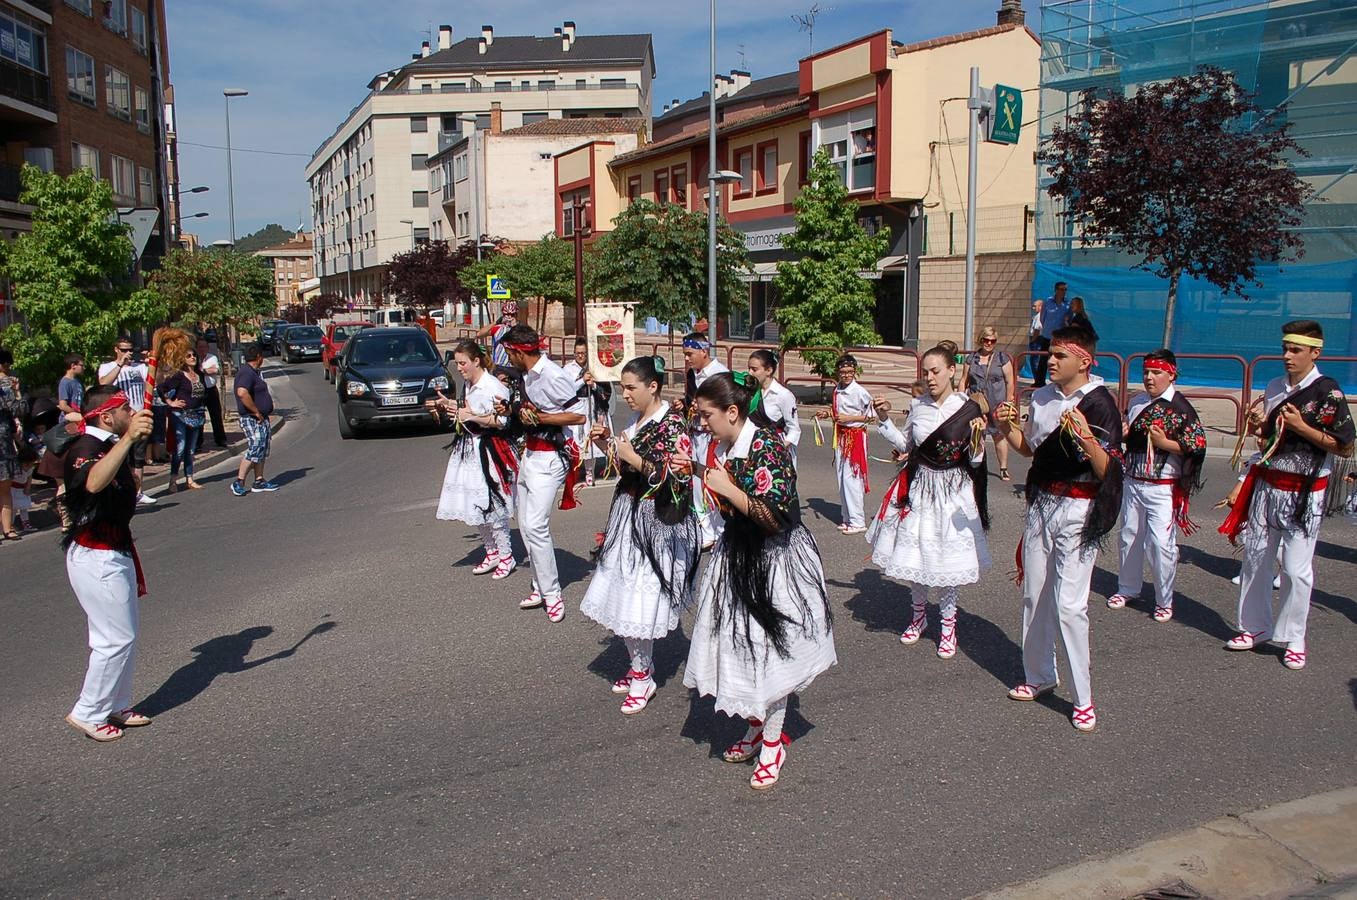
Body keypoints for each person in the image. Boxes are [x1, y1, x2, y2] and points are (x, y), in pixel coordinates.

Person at [683, 372, 836, 790]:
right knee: (739, 647)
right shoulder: (726, 442)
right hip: (737, 554)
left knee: (769, 653)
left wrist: (726, 489)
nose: (702, 424)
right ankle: (756, 726)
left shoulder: (768, 445)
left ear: (733, 412)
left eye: (707, 415)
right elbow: (728, 487)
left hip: (773, 559)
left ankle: (773, 743)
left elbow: (776, 518)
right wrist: (696, 468)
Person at [996, 326, 1123, 733]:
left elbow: (1108, 470)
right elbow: (1031, 449)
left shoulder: (1101, 404)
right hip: (1041, 505)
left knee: (1070, 605)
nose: (1050, 361)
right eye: (1049, 354)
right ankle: (1040, 676)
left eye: (1059, 356)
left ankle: (1083, 698)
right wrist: (1006, 428)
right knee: (1034, 594)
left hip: (1080, 508)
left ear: (1084, 361)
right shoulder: (1043, 397)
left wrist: (1086, 439)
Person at [1219, 320, 1354, 670]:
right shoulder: (1276, 386)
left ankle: (1295, 636)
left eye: (1295, 350)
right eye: (1285, 348)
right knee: (1256, 558)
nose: (1287, 355)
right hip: (1268, 485)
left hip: (1304, 491)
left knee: (1296, 570)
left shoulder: (1329, 392)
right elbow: (1269, 441)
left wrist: (1301, 426)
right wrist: (1258, 428)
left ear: (1315, 352)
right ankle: (1254, 627)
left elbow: (1344, 446)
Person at [580, 355, 699, 715]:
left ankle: (642, 675)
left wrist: (630, 456)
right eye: (622, 388)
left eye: (631, 388)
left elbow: (675, 478)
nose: (626, 394)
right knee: (624, 594)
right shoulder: (638, 419)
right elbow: (625, 463)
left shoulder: (673, 423)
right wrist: (606, 445)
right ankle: (638, 668)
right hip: (628, 512)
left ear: (653, 386)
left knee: (639, 599)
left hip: (656, 521)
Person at [868, 347, 991, 658]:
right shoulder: (917, 406)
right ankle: (919, 616)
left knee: (946, 561)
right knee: (916, 557)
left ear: (952, 371)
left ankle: (948, 625)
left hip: (952, 492)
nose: (930, 377)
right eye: (925, 372)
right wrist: (883, 419)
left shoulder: (967, 409)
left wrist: (978, 443)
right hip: (921, 487)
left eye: (936, 371)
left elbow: (975, 463)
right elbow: (905, 446)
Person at [62, 385, 155, 742]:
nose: (131, 414)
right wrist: (129, 437)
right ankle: (88, 710)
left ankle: (115, 703)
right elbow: (94, 482)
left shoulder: (106, 445)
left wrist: (130, 439)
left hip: (115, 548)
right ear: (105, 415)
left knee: (125, 636)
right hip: (95, 554)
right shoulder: (84, 448)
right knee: (113, 639)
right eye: (125, 410)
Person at [1106, 350, 1207, 622]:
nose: (1150, 378)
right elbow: (1128, 435)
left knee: (1161, 544)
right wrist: (1124, 434)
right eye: (1147, 372)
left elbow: (1197, 446)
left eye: (1157, 372)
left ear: (1171, 374)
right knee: (1129, 535)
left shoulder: (1180, 407)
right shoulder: (1138, 401)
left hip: (1162, 486)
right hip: (1134, 480)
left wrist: (1165, 445)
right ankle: (1128, 588)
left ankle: (1164, 599)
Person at [501, 323, 586, 622]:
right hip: (531, 455)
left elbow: (578, 413)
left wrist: (541, 417)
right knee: (525, 525)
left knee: (536, 526)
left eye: (509, 352)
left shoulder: (552, 375)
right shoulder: (527, 374)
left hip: (551, 458)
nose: (507, 357)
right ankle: (539, 585)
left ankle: (553, 595)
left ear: (518, 351)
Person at [430, 339, 518, 581]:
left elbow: (501, 422)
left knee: (493, 504)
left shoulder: (494, 387)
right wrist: (449, 404)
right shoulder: (471, 384)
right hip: (470, 447)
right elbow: (468, 408)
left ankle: (506, 555)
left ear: (476, 360)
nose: (459, 368)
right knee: (476, 503)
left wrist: (471, 416)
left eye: (463, 363)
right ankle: (491, 551)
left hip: (490, 449)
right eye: (457, 364)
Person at [678, 332, 729, 547]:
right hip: (696, 434)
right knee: (697, 483)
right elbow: (691, 401)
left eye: (690, 354)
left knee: (714, 482)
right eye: (685, 354)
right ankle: (705, 527)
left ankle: (721, 529)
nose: (687, 359)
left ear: (703, 351)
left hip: (714, 436)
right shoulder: (692, 375)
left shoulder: (720, 374)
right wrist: (684, 404)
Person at [815, 354, 873, 534]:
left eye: (850, 372)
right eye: (843, 372)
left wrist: (850, 418)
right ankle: (847, 517)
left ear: (855, 372)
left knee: (852, 478)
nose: (847, 375)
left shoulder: (859, 391)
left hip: (854, 436)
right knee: (842, 477)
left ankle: (858, 520)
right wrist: (827, 414)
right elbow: (837, 411)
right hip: (840, 435)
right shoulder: (837, 390)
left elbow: (871, 416)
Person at [97, 338, 154, 506]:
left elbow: (157, 379)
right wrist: (120, 365)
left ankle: (138, 491)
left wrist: (153, 362)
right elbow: (103, 383)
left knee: (138, 456)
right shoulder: (107, 367)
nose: (128, 353)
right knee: (121, 456)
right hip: (118, 419)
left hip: (138, 415)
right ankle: (122, 491)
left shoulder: (139, 367)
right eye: (124, 350)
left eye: (130, 349)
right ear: (116, 350)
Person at [962, 327, 1016, 480]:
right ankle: (976, 466)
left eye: (993, 341)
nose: (989, 343)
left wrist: (1008, 401)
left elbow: (1010, 382)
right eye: (986, 340)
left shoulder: (1002, 358)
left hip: (997, 402)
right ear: (981, 339)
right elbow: (964, 380)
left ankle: (1003, 468)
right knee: (977, 434)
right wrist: (960, 398)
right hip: (976, 402)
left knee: (999, 435)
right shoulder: (971, 359)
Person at [230, 344, 280, 497]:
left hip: (261, 418)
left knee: (262, 448)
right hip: (251, 418)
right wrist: (256, 411)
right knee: (256, 446)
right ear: (259, 357)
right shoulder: (246, 373)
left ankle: (259, 480)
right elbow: (242, 392)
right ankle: (239, 481)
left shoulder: (255, 372)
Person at [562, 337, 612, 487]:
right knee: (575, 440)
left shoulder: (595, 366)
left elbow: (606, 391)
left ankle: (590, 471)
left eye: (583, 353)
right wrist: (582, 381)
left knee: (592, 439)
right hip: (576, 406)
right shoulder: (568, 369)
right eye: (577, 353)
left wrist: (594, 385)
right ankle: (573, 471)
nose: (580, 356)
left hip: (593, 405)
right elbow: (566, 390)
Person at [158, 347, 208, 493]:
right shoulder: (179, 375)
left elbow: (204, 394)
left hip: (196, 414)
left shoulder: (199, 374)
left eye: (194, 355)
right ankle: (173, 481)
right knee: (180, 448)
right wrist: (170, 402)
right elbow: (162, 388)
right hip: (180, 415)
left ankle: (189, 479)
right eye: (189, 356)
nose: (192, 358)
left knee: (191, 450)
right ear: (183, 359)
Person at [748, 349, 800, 466]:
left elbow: (794, 429)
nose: (750, 373)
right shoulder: (749, 392)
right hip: (752, 447)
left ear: (769, 370)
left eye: (754, 369)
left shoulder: (783, 395)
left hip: (774, 450)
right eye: (749, 368)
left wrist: (777, 447)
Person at [0, 347, 29, 542]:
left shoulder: (8, 385)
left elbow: (20, 410)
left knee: (4, 488)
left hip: (4, 441)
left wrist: (17, 392)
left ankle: (8, 528)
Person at [1031, 281, 1071, 388]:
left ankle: (1059, 383)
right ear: (1056, 290)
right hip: (1047, 336)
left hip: (1060, 339)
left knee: (1060, 360)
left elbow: (1069, 320)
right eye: (1062, 289)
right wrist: (1048, 329)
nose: (1064, 292)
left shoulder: (1067, 304)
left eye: (1065, 290)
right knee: (1043, 360)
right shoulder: (1048, 303)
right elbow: (1042, 318)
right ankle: (1039, 383)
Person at [196, 338, 227, 448]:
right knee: (199, 415)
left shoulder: (212, 357)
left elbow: (215, 370)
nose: (202, 349)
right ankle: (198, 442)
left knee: (216, 415)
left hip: (211, 389)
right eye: (200, 347)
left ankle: (220, 439)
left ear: (208, 348)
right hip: (199, 390)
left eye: (204, 347)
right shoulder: (194, 358)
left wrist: (202, 370)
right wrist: (205, 370)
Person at [476, 300, 519, 369]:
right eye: (506, 314)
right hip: (499, 365)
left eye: (512, 315)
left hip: (514, 366)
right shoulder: (498, 328)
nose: (509, 317)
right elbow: (479, 334)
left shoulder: (520, 328)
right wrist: (496, 322)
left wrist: (515, 327)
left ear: (516, 315)